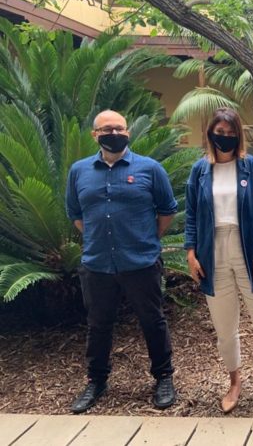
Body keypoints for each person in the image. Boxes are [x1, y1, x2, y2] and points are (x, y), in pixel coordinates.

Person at [66, 110, 178, 413]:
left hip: (140, 261)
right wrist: (100, 238)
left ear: (128, 132)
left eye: (119, 128)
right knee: (98, 325)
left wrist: (145, 238)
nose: (114, 133)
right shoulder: (79, 171)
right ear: (95, 135)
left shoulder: (150, 169)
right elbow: (76, 214)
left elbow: (167, 210)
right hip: (97, 264)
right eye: (106, 129)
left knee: (152, 320)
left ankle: (164, 377)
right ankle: (96, 380)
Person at [184, 107, 253, 412]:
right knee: (224, 326)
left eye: (231, 134)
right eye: (221, 133)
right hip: (212, 249)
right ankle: (234, 382)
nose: (225, 138)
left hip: (246, 249)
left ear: (238, 135)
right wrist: (191, 253)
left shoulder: (250, 167)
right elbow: (191, 214)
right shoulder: (199, 170)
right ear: (210, 134)